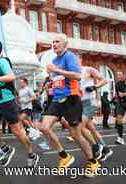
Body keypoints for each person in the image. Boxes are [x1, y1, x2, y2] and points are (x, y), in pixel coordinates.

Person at [40, 34, 100, 177]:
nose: (54, 44)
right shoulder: (54, 60)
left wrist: (57, 71)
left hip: (71, 99)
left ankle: (93, 162)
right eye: (52, 41)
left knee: (76, 135)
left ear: (64, 44)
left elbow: (78, 76)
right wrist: (50, 81)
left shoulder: (69, 57)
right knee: (44, 127)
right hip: (57, 99)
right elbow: (58, 79)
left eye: (57, 41)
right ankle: (65, 156)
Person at [0, 40, 39, 167]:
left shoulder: (1, 61)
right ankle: (5, 148)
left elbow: (11, 77)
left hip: (7, 101)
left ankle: (31, 155)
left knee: (18, 131)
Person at [79, 66, 113, 162]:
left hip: (90, 102)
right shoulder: (72, 72)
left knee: (80, 126)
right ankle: (106, 149)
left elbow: (104, 80)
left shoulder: (88, 69)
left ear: (80, 58)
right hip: (80, 103)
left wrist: (95, 87)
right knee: (91, 129)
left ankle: (97, 147)